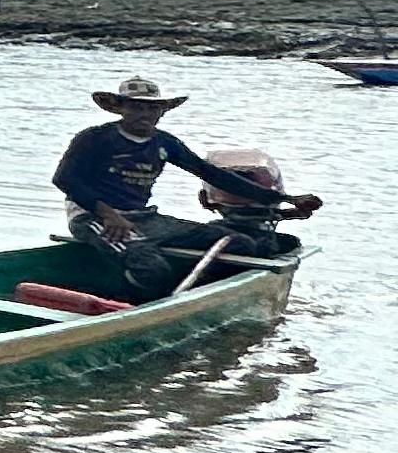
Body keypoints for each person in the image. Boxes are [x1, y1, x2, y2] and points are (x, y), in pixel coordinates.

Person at [52, 77, 317, 296]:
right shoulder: (96, 138)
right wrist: (108, 214)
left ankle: (191, 290)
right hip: (94, 218)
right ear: (121, 108)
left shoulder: (164, 143)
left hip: (143, 218)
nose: (144, 114)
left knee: (240, 243)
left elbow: (210, 173)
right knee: (152, 268)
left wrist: (284, 199)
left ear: (162, 111)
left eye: (151, 108)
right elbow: (65, 179)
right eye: (136, 107)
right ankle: (128, 300)